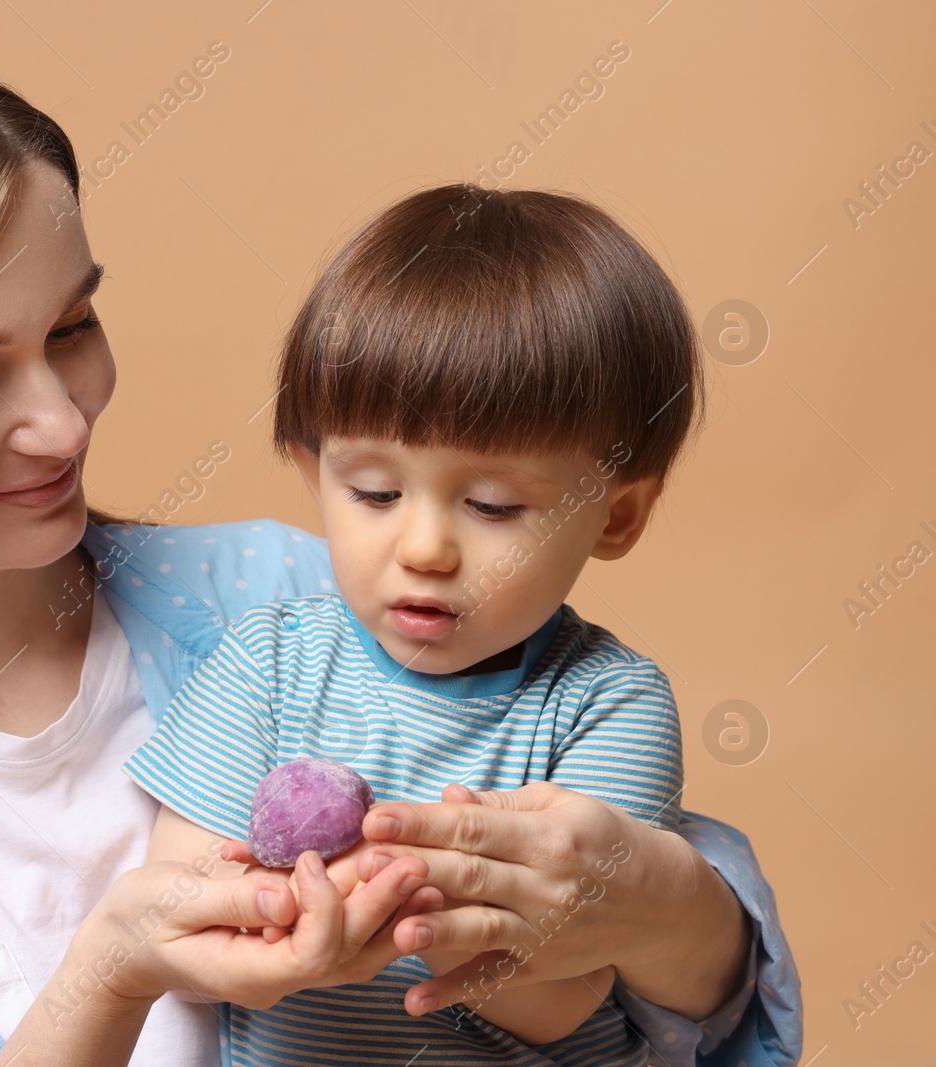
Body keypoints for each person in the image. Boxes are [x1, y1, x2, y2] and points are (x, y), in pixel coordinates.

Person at [0, 39, 800, 1067]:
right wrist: (114, 966)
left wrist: (669, 912)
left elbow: (689, 984)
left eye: (72, 323)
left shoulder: (304, 599)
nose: (65, 417)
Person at [127, 183, 723, 1065]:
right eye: (374, 492)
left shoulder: (609, 703)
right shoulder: (266, 663)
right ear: (311, 467)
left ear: (616, 516)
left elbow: (565, 996)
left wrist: (414, 905)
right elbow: (173, 923)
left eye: (492, 505)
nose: (425, 547)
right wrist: (279, 915)